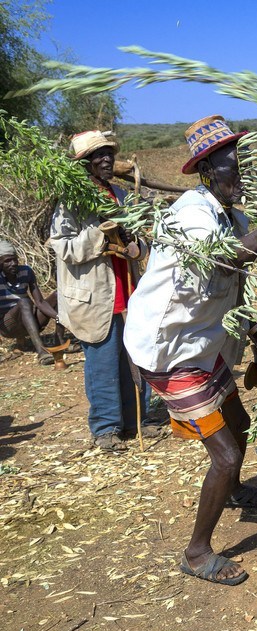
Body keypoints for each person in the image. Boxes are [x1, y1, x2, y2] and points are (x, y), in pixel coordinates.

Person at [124, 116, 257, 585]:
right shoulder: (193, 211)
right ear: (208, 170)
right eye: (232, 168)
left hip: (204, 345)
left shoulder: (234, 214)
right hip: (170, 350)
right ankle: (195, 552)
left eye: (244, 168)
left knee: (241, 423)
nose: (240, 178)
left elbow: (238, 290)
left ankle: (233, 491)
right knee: (225, 454)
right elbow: (225, 257)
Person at [50, 130, 157, 451]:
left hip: (127, 290)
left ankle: (137, 420)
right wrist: (100, 234)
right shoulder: (70, 202)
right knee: (104, 363)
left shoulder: (120, 196)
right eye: (98, 155)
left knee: (133, 357)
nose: (107, 159)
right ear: (84, 164)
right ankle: (106, 429)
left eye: (109, 153)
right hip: (95, 297)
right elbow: (64, 247)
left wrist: (137, 247)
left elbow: (138, 236)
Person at [0, 238, 59, 364]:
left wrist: (59, 317)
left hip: (30, 320)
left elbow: (40, 302)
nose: (13, 263)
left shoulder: (26, 271)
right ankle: (42, 352)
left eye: (14, 259)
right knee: (24, 302)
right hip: (8, 326)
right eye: (7, 261)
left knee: (57, 295)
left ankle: (59, 341)